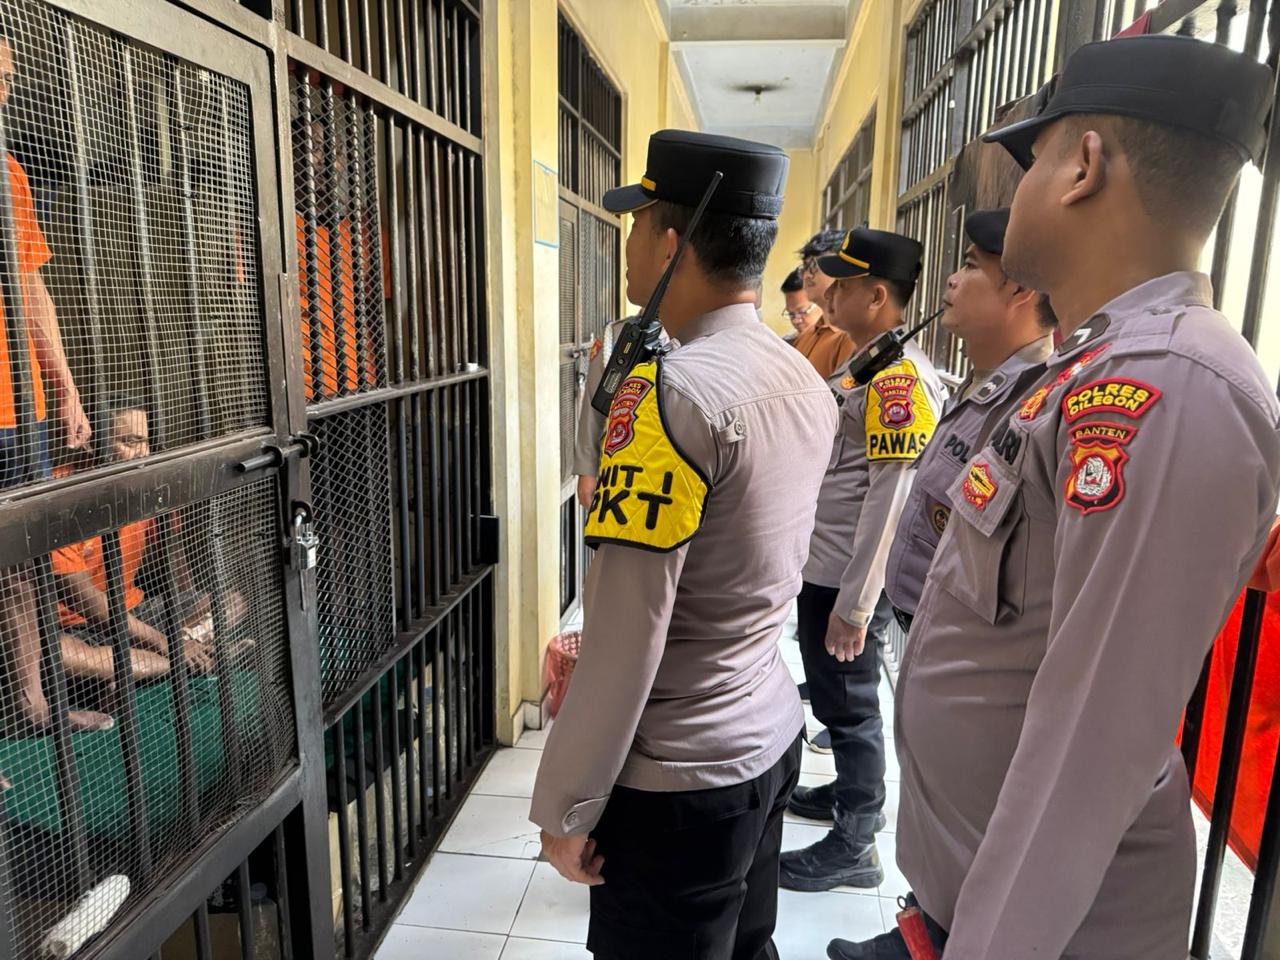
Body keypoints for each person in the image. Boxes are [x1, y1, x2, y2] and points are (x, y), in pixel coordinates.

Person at [834, 35, 1280, 959]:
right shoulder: (1091, 363)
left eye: (1032, 160)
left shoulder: (1169, 385)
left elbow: (1092, 742)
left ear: (1083, 166)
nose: (1019, 189)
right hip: (971, 901)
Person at [530, 129, 838, 960]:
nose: (628, 240)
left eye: (637, 222)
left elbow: (626, 634)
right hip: (765, 734)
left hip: (678, 778)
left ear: (671, 242)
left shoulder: (671, 396)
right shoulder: (800, 376)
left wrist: (565, 807)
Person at [779, 228, 946, 893]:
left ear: (877, 296)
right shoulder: (872, 363)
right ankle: (849, 797)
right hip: (828, 566)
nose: (828, 295)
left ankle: (856, 841)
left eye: (843, 286)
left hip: (847, 577)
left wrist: (854, 606)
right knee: (834, 696)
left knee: (850, 709)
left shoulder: (898, 380)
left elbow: (891, 502)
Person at [881, 208, 1055, 631]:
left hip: (962, 638)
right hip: (922, 620)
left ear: (1020, 289)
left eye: (971, 266)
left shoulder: (1033, 407)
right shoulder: (981, 382)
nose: (953, 279)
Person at [0, 20, 101, 732]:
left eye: (6, 80)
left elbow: (34, 288)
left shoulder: (8, 174)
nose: (2, 92)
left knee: (24, 560)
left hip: (19, 407)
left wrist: (65, 390)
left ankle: (32, 704)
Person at [52, 397, 246, 680]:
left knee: (229, 602)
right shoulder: (60, 496)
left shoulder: (149, 486)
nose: (143, 453)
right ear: (91, 444)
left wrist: (185, 616)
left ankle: (168, 657)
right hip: (71, 624)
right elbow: (79, 596)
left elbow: (172, 552)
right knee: (59, 655)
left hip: (134, 609)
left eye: (146, 441)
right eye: (130, 442)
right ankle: (181, 661)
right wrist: (165, 643)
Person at [791, 229, 854, 377]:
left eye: (815, 266)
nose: (807, 276)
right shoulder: (805, 335)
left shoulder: (852, 338)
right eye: (805, 268)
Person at [780, 267, 817, 344]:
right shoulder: (786, 345)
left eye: (802, 312)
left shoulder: (840, 342)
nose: (795, 321)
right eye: (791, 314)